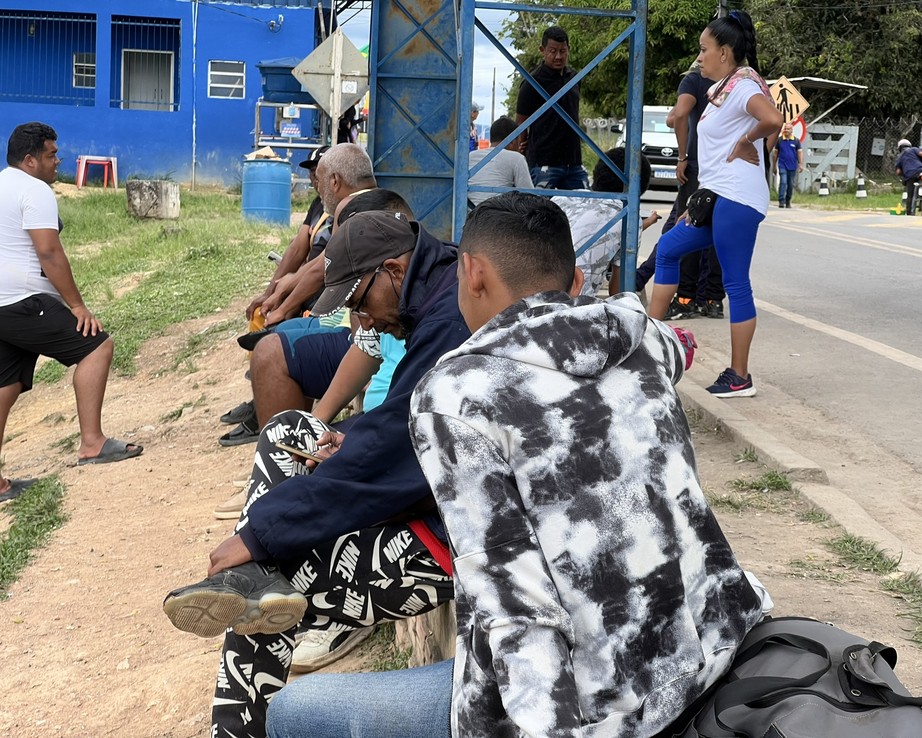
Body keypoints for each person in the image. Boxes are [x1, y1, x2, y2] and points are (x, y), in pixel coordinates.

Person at [265, 192, 765, 738]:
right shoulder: (646, 340)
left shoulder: (456, 393)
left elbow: (513, 601)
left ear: (473, 273)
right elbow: (678, 344)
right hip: (713, 654)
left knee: (292, 712)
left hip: (599, 708)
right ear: (576, 281)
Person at [162, 210, 470, 738]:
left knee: (269, 593)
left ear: (394, 270)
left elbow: (398, 452)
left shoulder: (448, 319)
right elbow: (405, 423)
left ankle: (237, 724)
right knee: (290, 430)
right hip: (433, 494)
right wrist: (353, 440)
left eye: (359, 302)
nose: (363, 321)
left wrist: (261, 535)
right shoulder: (438, 296)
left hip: (452, 539)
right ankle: (260, 567)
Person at [0, 122, 142, 500]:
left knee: (5, 385)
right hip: (26, 300)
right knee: (97, 346)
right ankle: (92, 443)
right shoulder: (35, 190)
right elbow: (48, 252)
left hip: (2, 305)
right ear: (30, 160)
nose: (57, 161)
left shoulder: (1, 184)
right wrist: (77, 305)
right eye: (51, 154)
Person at [646, 10, 782, 398]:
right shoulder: (723, 89)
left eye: (704, 49)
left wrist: (747, 142)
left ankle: (739, 376)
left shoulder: (743, 86)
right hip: (717, 197)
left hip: (738, 200)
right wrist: (699, 202)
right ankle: (649, 347)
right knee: (668, 248)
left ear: (724, 52)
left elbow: (773, 120)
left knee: (736, 282)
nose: (699, 56)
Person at [219, 144, 377, 446]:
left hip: (358, 333)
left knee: (271, 349)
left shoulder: (353, 211)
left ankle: (283, 448)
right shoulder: (375, 203)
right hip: (354, 328)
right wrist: (278, 289)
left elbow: (322, 271)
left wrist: (283, 305)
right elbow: (314, 259)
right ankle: (284, 426)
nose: (315, 184)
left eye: (319, 178)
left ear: (335, 181)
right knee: (279, 336)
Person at [550, 146, 660, 297]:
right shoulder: (629, 219)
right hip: (574, 303)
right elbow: (617, 292)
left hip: (531, 295)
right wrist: (640, 226)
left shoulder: (563, 197)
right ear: (639, 187)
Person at [663, 66, 725, 320]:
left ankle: (685, 297)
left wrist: (682, 156)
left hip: (698, 166)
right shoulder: (737, 82)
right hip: (728, 168)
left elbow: (677, 116)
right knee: (720, 232)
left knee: (688, 226)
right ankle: (713, 299)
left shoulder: (693, 80)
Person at [515, 25, 589, 190]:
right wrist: (522, 145)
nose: (558, 56)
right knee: (539, 205)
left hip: (573, 162)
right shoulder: (532, 82)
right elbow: (521, 121)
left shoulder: (574, 78)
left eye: (562, 51)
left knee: (583, 202)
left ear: (568, 50)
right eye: (552, 51)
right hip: (544, 161)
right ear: (542, 50)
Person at [467, 116, 534, 206]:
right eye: (519, 141)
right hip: (498, 212)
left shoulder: (470, 156)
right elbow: (529, 197)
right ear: (513, 142)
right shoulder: (516, 158)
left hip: (469, 212)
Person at [772, 121, 803, 208]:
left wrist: (801, 164)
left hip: (792, 166)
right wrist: (774, 166)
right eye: (785, 128)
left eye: (788, 129)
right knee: (783, 182)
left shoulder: (796, 141)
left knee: (790, 184)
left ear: (791, 130)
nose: (786, 130)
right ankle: (781, 201)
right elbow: (775, 154)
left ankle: (788, 201)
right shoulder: (780, 140)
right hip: (782, 165)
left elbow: (800, 152)